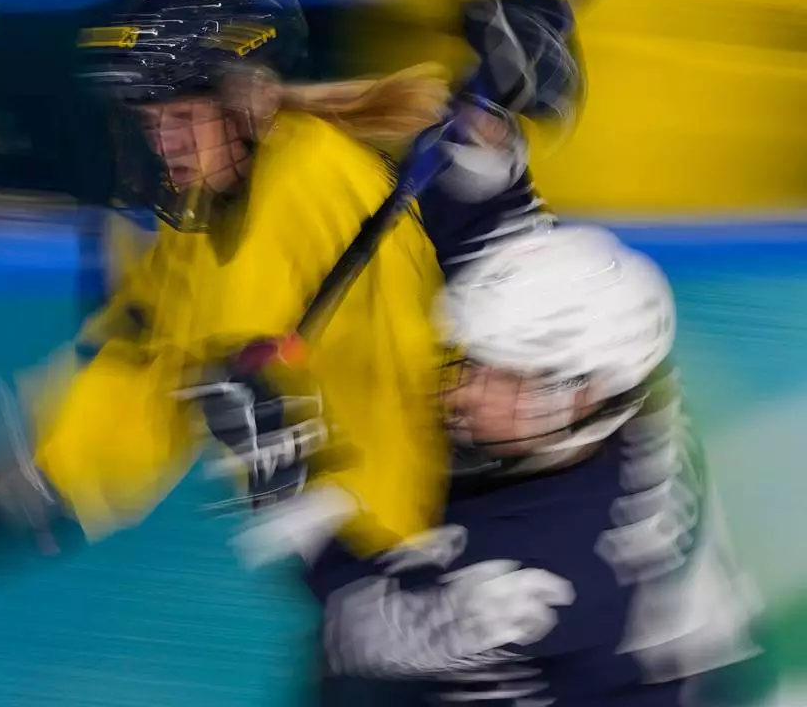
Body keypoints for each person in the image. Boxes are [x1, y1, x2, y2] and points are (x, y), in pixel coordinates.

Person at [0, 0, 581, 609]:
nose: (162, 141)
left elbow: (489, 283)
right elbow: (150, 360)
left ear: (251, 98)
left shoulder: (320, 185)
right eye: (147, 120)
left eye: (180, 116)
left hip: (453, 552)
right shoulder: (198, 217)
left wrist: (492, 153)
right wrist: (46, 480)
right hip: (364, 571)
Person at [256, 225, 769, 706]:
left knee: (360, 686)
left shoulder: (539, 576)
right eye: (475, 362)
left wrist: (285, 476)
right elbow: (501, 235)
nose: (466, 392)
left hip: (599, 669)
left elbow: (357, 621)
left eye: (508, 378)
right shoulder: (632, 387)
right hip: (672, 655)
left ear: (584, 396)